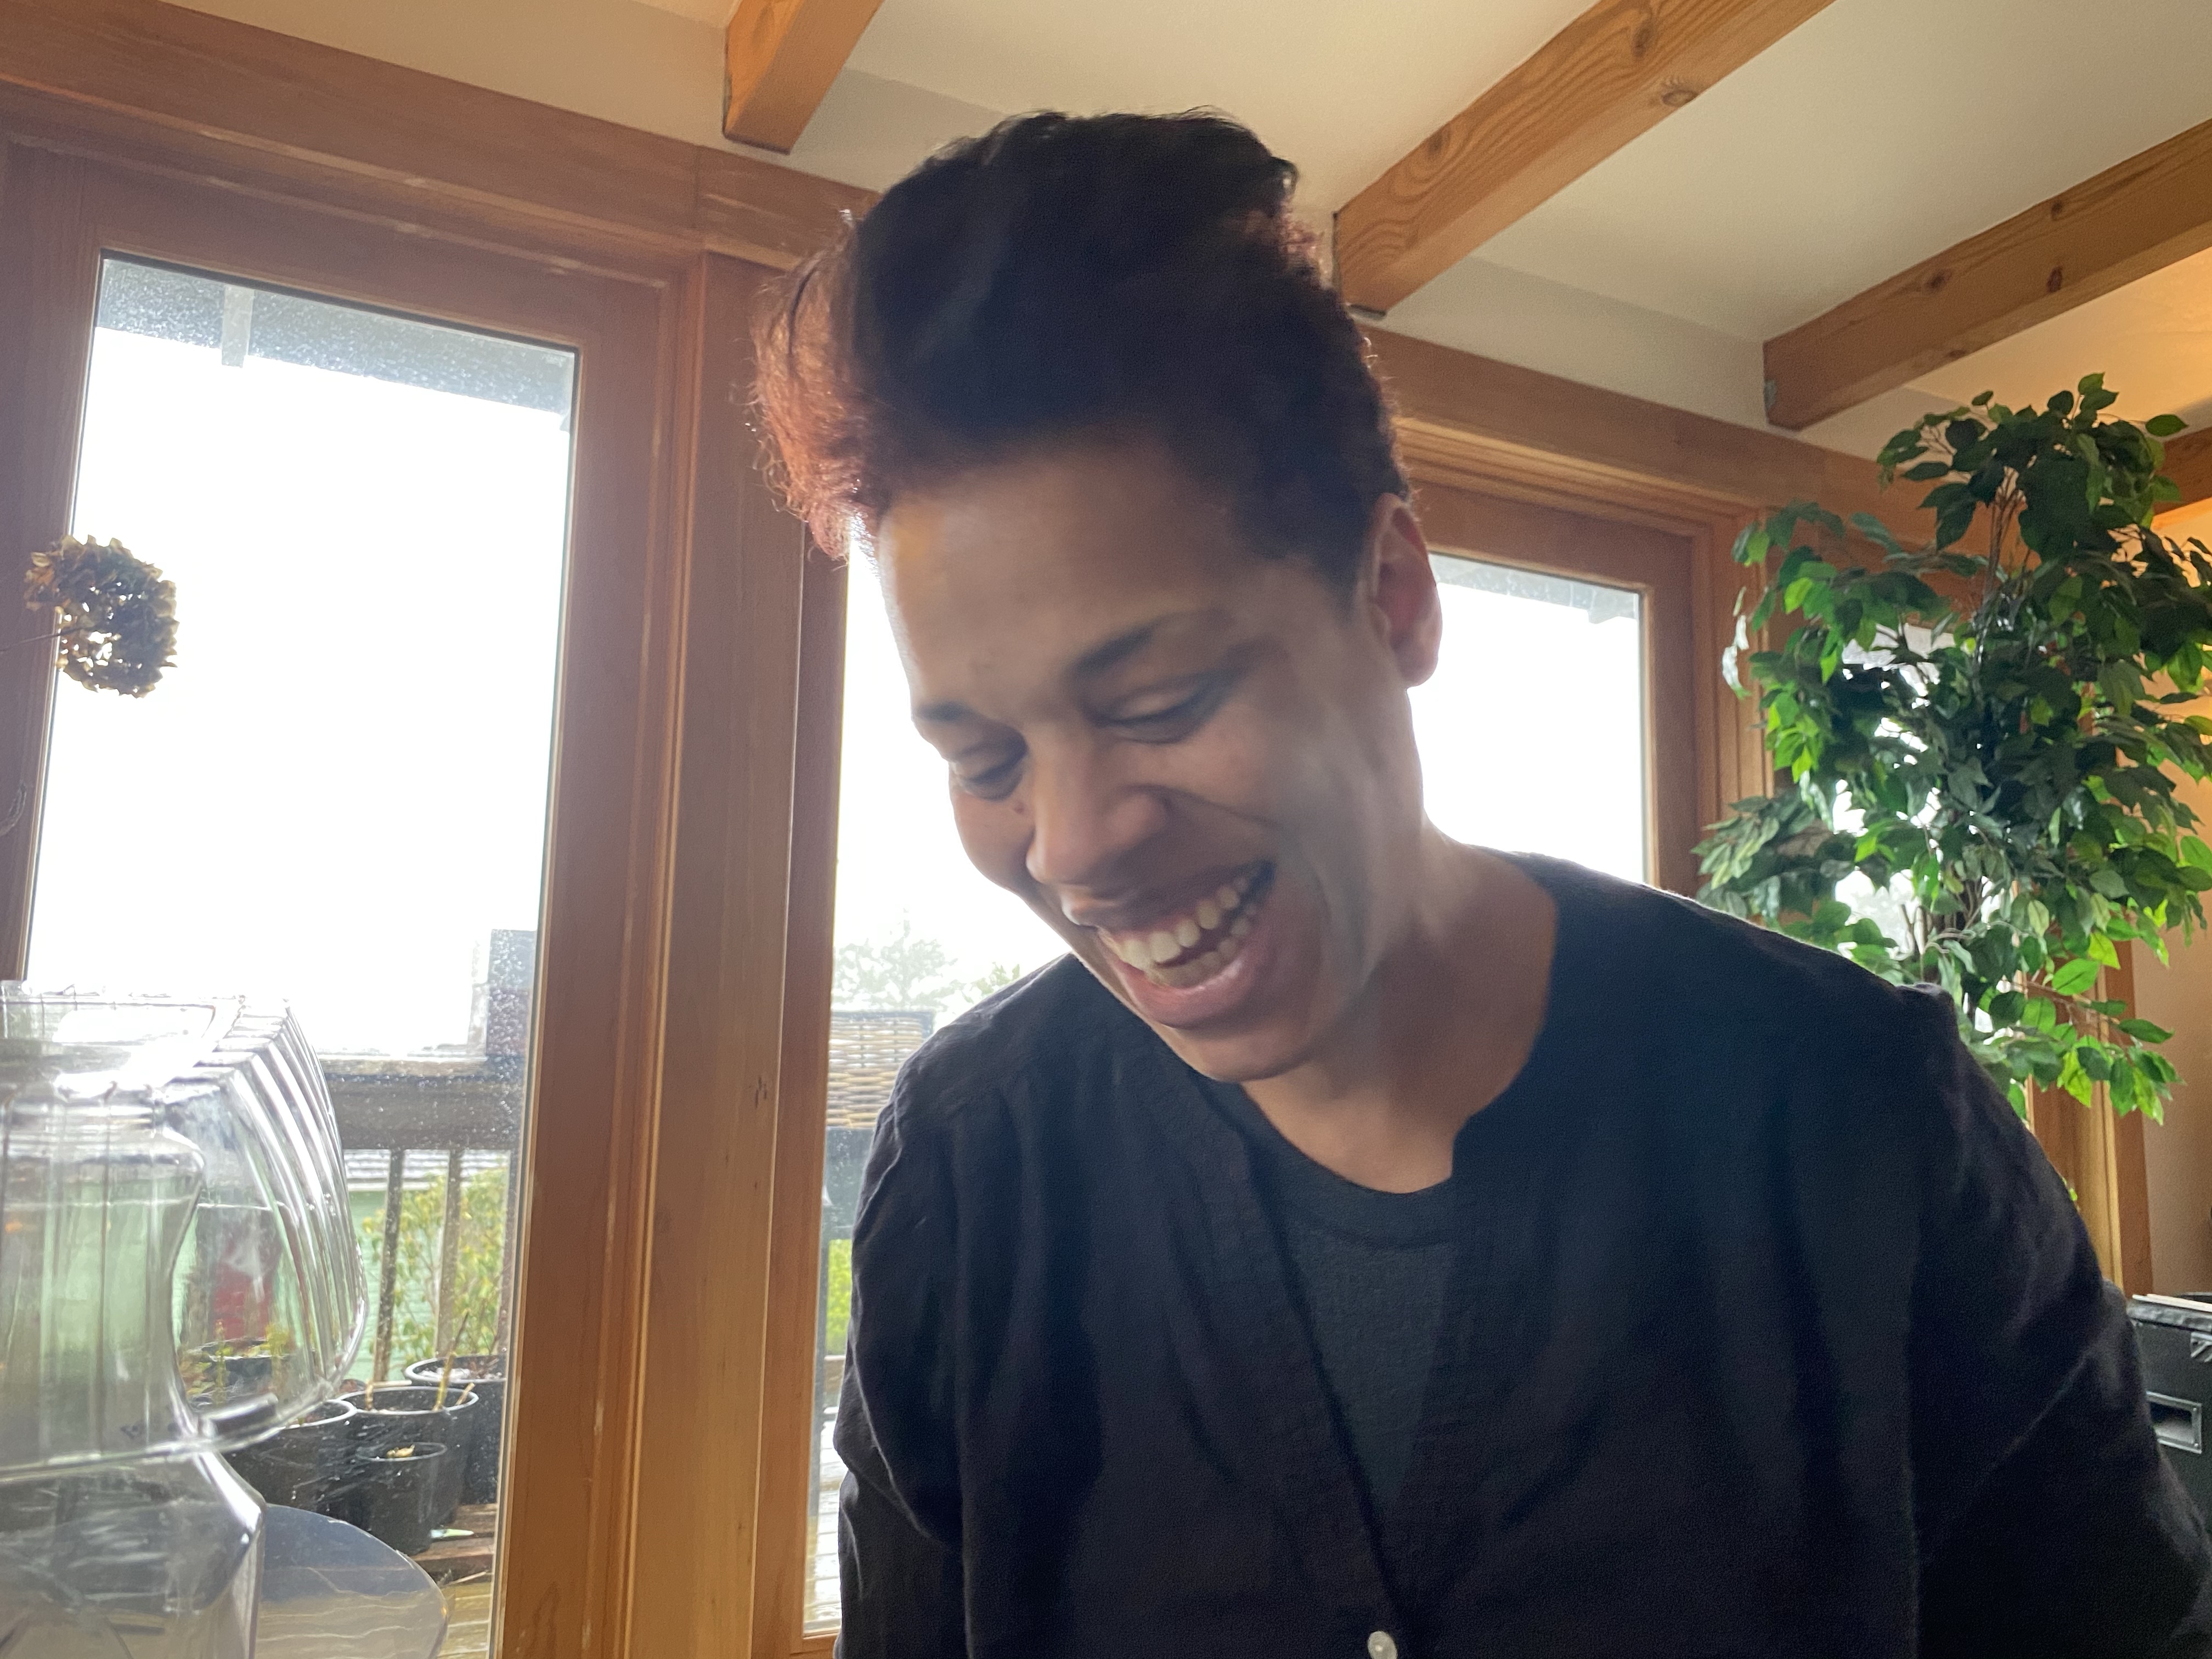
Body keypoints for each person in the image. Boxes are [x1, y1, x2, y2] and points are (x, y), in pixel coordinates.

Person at [753, 110, 2212, 1659]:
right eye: (984, 758)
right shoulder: (974, 1172)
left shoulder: (1857, 1118)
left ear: (1392, 595)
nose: (1073, 845)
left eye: (1160, 701)